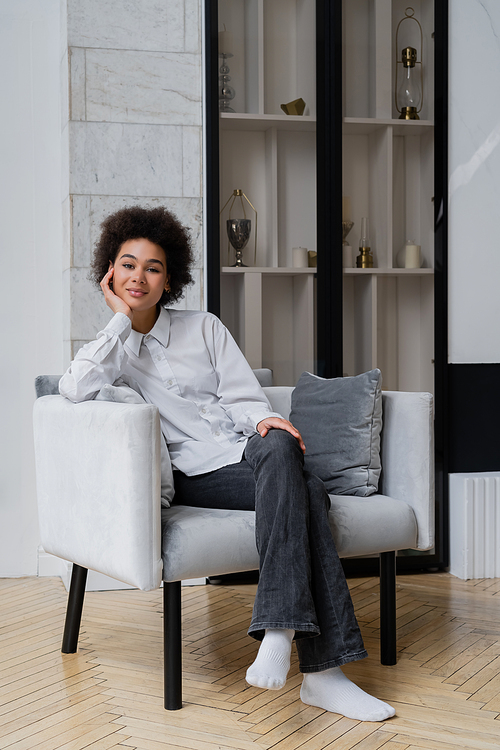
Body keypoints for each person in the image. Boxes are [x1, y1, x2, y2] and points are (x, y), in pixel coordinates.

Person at [59, 205, 395, 723]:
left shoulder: (204, 327)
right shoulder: (115, 352)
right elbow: (72, 388)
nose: (139, 276)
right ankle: (322, 674)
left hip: (245, 453)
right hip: (199, 475)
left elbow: (245, 397)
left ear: (169, 279)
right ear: (110, 271)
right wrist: (118, 321)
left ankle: (282, 633)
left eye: (153, 267)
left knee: (283, 446)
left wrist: (263, 422)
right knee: (307, 489)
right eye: (128, 264)